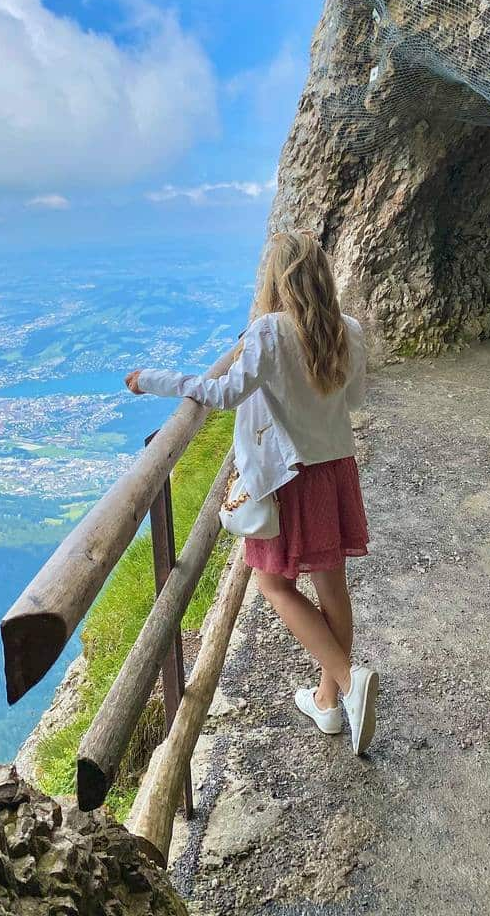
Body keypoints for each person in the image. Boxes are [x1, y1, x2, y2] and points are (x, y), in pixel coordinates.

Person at [124, 230, 377, 754]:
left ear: (276, 280)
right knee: (333, 591)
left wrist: (153, 379)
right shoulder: (348, 330)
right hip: (336, 473)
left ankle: (348, 683)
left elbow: (221, 394)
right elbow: (352, 398)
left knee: (272, 585)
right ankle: (329, 704)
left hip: (291, 479)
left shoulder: (268, 332)